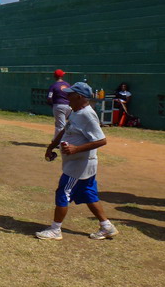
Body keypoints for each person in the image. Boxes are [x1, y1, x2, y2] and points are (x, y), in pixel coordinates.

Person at [37, 82, 119, 241]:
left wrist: (76, 149)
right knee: (88, 194)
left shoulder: (87, 114)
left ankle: (55, 230)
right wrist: (52, 146)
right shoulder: (76, 111)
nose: (67, 97)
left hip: (79, 166)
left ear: (79, 97)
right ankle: (106, 226)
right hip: (79, 165)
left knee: (63, 193)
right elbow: (65, 129)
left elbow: (102, 140)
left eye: (70, 94)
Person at [47, 69, 71, 139]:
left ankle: (60, 142)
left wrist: (51, 105)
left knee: (61, 126)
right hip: (68, 106)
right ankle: (55, 140)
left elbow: (49, 97)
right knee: (59, 124)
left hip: (58, 106)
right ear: (62, 76)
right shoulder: (67, 85)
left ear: (54, 76)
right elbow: (71, 94)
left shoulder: (53, 86)